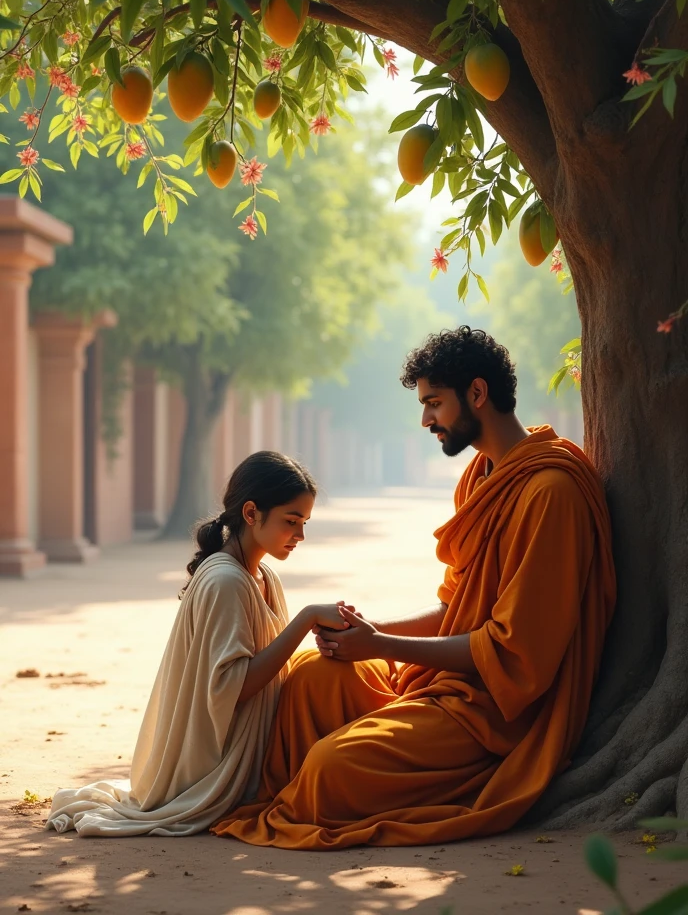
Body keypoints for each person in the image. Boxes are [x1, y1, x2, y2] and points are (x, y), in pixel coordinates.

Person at [212, 328, 616, 848]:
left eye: (433, 403)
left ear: (476, 393)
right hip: (450, 682)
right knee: (315, 675)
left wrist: (381, 647)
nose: (425, 420)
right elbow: (455, 607)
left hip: (497, 714)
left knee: (330, 769)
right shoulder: (481, 476)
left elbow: (518, 654)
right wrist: (367, 632)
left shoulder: (551, 492)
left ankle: (321, 788)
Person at [46, 451, 351, 837]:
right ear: (252, 512)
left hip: (255, 739)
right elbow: (232, 688)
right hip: (216, 764)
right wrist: (306, 619)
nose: (300, 535)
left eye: (305, 523)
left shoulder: (264, 577)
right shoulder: (226, 581)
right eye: (291, 521)